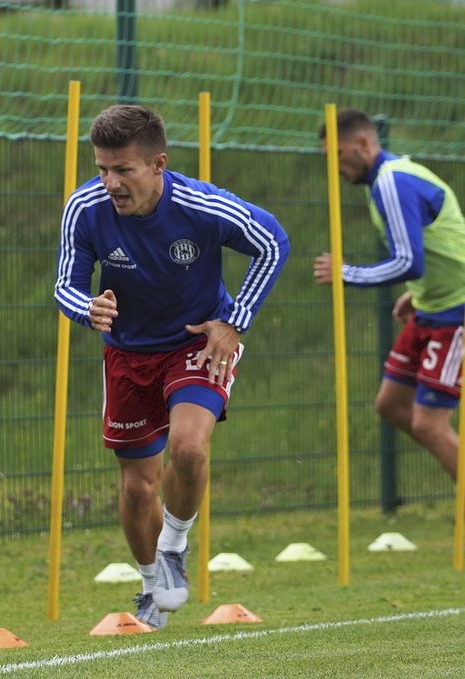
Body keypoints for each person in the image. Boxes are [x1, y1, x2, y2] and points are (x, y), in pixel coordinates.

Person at [54, 104, 289, 629]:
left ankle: (175, 547)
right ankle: (148, 584)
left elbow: (273, 242)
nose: (109, 182)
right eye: (101, 169)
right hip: (128, 353)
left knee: (187, 446)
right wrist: (84, 308)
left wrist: (234, 321)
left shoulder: (203, 207)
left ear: (158, 164)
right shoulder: (84, 209)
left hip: (196, 342)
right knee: (138, 485)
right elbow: (64, 284)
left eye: (123, 170)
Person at [313, 108, 465, 482]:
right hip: (431, 305)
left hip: (456, 310)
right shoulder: (385, 180)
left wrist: (348, 273)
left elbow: (409, 261)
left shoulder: (392, 182)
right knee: (391, 404)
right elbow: (440, 243)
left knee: (430, 424)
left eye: (338, 154)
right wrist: (417, 295)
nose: (335, 167)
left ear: (363, 143)